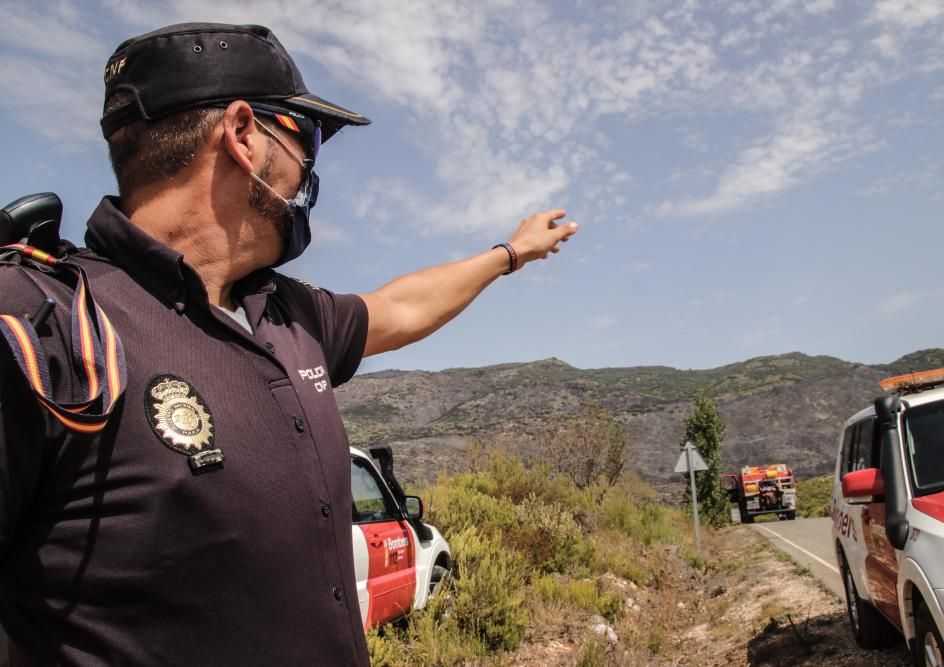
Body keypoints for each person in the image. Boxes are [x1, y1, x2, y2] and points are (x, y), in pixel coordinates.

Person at [0, 22, 577, 665]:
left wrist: (509, 254)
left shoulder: (285, 312)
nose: (309, 168)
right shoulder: (38, 322)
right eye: (307, 138)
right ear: (244, 134)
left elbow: (399, 307)